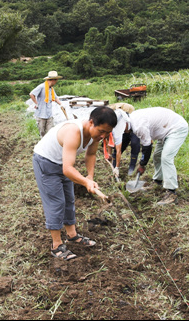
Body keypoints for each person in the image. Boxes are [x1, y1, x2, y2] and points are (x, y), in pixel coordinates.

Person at [33, 106, 117, 260]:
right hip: (46, 162)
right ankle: (56, 245)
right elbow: (67, 169)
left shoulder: (94, 135)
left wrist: (90, 177)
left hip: (62, 162)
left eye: (107, 133)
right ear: (91, 123)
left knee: (69, 199)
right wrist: (84, 181)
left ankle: (72, 235)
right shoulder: (74, 132)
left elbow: (91, 154)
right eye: (101, 131)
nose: (103, 136)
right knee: (56, 202)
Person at [128, 107, 189, 205]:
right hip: (164, 130)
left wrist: (142, 164)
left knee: (166, 157)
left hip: (176, 128)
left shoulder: (138, 126)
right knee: (157, 156)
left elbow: (147, 147)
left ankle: (171, 192)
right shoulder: (131, 119)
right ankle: (158, 181)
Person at [108, 103, 141, 178]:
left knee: (135, 144)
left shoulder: (133, 121)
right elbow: (112, 144)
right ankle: (114, 165)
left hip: (133, 128)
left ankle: (132, 167)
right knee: (117, 149)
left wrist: (118, 167)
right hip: (124, 129)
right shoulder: (116, 129)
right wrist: (110, 156)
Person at [29, 71, 63, 137]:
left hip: (49, 115)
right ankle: (43, 146)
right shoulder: (41, 87)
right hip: (41, 115)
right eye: (56, 80)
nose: (56, 82)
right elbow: (31, 94)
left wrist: (61, 104)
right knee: (42, 133)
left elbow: (55, 98)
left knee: (51, 132)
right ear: (53, 80)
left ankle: (50, 146)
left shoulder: (51, 89)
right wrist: (36, 103)